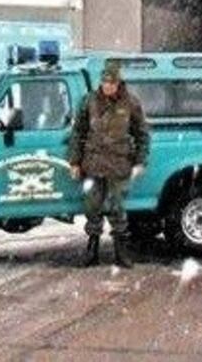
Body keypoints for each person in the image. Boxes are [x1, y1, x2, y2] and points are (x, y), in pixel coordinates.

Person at [67, 62, 149, 268]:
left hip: (118, 165)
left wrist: (140, 161)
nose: (107, 86)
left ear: (118, 82)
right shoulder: (89, 102)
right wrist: (74, 161)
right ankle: (92, 250)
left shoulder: (130, 103)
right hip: (93, 164)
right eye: (104, 82)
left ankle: (121, 253)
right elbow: (78, 132)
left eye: (111, 82)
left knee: (117, 209)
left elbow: (142, 134)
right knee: (92, 208)